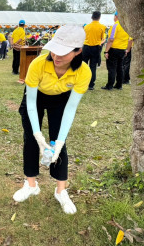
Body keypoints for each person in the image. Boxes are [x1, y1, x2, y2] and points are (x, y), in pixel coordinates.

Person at [13, 25, 92, 215]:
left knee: (59, 143)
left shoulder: (84, 72)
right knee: (31, 139)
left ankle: (61, 191)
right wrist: (39, 135)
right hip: (36, 97)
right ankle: (31, 184)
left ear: (77, 51)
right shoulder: (38, 64)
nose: (57, 56)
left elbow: (71, 108)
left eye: (64, 53)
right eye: (55, 49)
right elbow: (31, 103)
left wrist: (61, 140)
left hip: (61, 99)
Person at [101, 11, 130, 90]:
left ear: (116, 16)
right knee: (120, 68)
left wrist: (106, 51)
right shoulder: (127, 27)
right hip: (122, 50)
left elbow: (111, 39)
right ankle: (119, 85)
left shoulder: (115, 25)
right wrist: (127, 50)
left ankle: (109, 85)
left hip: (114, 49)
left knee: (112, 68)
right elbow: (129, 39)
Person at [82, 11, 106, 90]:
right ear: (99, 17)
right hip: (95, 48)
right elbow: (103, 39)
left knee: (84, 65)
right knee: (93, 67)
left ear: (92, 17)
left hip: (86, 47)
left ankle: (83, 82)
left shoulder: (86, 27)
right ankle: (91, 85)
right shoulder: (102, 27)